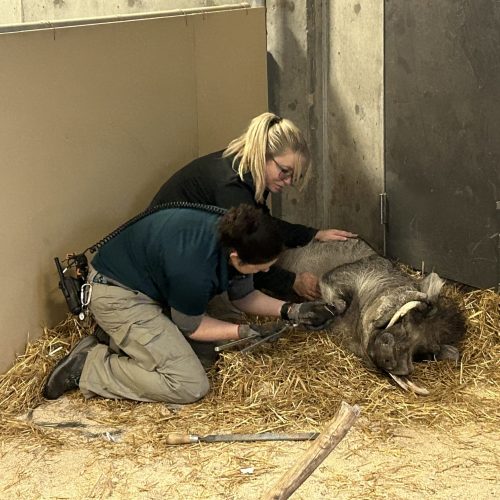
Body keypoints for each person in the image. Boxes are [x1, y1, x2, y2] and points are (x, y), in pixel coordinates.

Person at [43, 204, 336, 404]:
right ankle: (90, 368)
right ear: (237, 258)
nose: (264, 272)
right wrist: (244, 332)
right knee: (189, 383)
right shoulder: (194, 267)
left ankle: (118, 341)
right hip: (117, 296)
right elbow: (192, 326)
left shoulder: (236, 233)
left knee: (208, 356)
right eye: (261, 268)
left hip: (146, 287)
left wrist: (290, 310)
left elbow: (243, 295)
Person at [150, 112, 357, 301]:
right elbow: (249, 255)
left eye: (293, 177)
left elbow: (263, 224)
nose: (287, 182)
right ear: (263, 154)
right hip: (165, 264)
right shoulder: (232, 186)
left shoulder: (248, 170)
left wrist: (312, 234)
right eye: (284, 171)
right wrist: (292, 281)